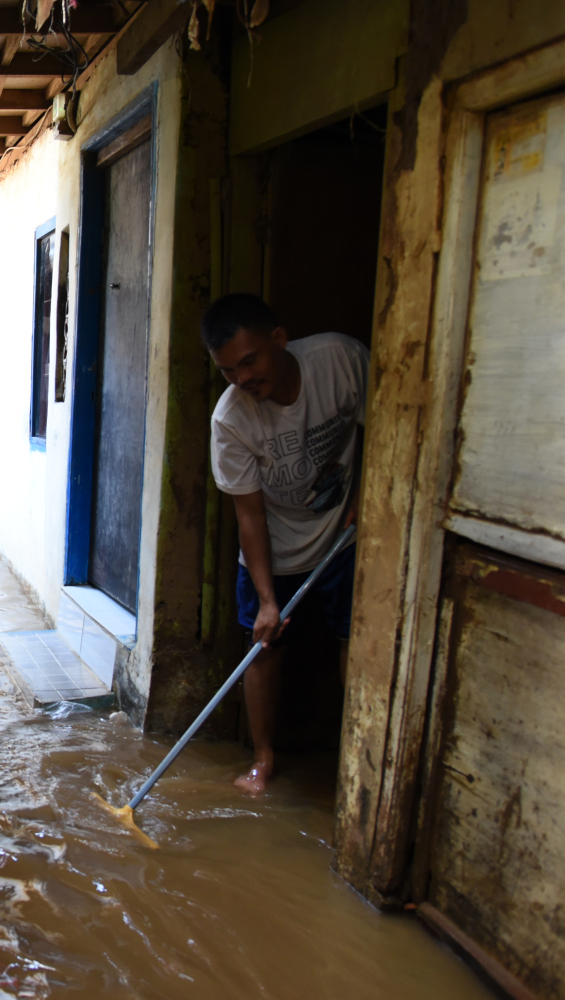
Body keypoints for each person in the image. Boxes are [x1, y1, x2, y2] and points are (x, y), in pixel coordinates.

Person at [202, 293, 369, 795]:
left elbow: (386, 421)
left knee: (354, 640)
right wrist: (268, 600)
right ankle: (263, 761)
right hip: (275, 548)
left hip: (344, 535)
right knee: (263, 648)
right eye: (229, 371)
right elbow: (249, 515)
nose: (243, 379)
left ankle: (357, 757)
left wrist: (367, 495)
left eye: (249, 361)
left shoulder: (341, 360)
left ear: (279, 339)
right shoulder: (230, 421)